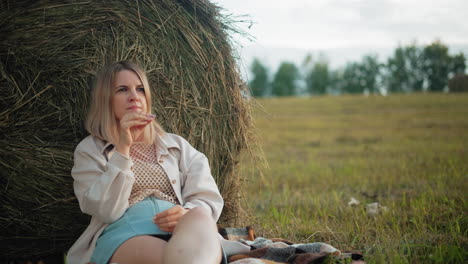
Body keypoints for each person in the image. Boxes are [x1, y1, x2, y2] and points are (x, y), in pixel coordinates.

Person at [66, 60, 225, 264]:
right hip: (127, 233)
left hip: (183, 231)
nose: (134, 96)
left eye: (140, 89)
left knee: (200, 216)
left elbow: (207, 196)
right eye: (122, 90)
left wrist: (185, 213)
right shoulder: (90, 150)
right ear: (105, 100)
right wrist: (123, 149)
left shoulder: (177, 145)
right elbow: (106, 211)